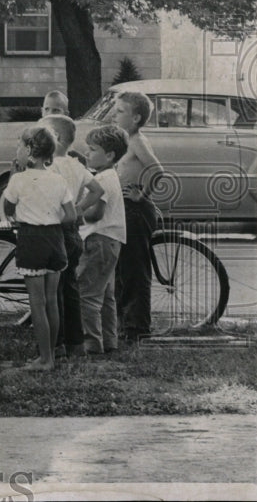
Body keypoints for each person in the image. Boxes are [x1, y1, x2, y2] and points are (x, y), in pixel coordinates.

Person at [3, 126, 75, 370]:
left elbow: (8, 208)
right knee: (52, 300)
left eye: (19, 146)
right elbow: (71, 215)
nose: (17, 150)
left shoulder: (19, 179)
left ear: (30, 150)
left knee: (36, 302)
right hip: (55, 240)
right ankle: (51, 354)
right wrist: (50, 220)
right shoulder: (58, 179)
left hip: (32, 239)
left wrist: (23, 219)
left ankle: (44, 359)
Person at [39, 115, 105, 358]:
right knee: (70, 287)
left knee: (52, 289)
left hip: (53, 229)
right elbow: (98, 190)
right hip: (73, 232)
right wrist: (78, 208)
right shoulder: (76, 165)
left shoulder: (49, 166)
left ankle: (55, 343)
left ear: (53, 138)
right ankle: (75, 343)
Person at [112, 91, 163, 341]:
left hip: (135, 210)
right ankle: (124, 324)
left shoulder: (136, 141)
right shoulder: (128, 140)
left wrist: (141, 196)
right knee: (123, 269)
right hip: (125, 209)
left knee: (134, 269)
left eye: (120, 111)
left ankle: (137, 327)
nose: (115, 115)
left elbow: (156, 169)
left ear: (136, 118)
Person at [76, 124, 129, 355]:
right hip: (113, 241)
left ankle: (92, 343)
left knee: (87, 294)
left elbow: (96, 213)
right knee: (106, 296)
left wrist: (78, 213)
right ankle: (110, 340)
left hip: (98, 240)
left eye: (92, 149)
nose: (87, 153)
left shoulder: (103, 180)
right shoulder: (112, 176)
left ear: (109, 155)